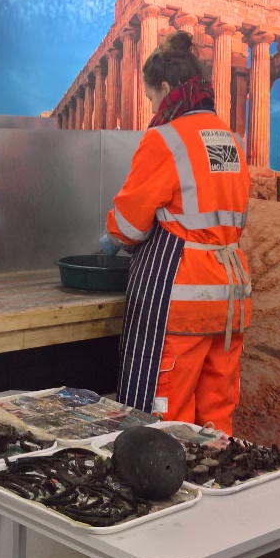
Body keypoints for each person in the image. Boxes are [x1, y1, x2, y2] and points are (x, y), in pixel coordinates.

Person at [102, 30, 253, 436]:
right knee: (216, 418)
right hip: (230, 299)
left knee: (163, 422)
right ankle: (215, 488)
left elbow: (130, 226)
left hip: (180, 299)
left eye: (152, 98)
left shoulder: (165, 139)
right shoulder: (231, 141)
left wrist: (112, 236)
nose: (153, 107)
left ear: (166, 88)